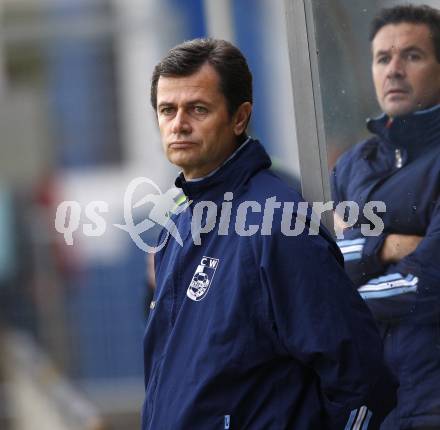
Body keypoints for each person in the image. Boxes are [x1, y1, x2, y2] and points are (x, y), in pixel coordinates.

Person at [143, 38, 397, 430]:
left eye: (197, 109)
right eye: (167, 110)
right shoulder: (176, 232)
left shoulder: (278, 223)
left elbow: (361, 377)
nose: (179, 124)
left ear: (239, 118)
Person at [331, 4, 440, 429]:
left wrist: (346, 297)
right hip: (370, 408)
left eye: (411, 56)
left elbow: (426, 284)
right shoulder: (352, 166)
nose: (393, 70)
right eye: (382, 58)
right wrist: (389, 246)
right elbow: (331, 263)